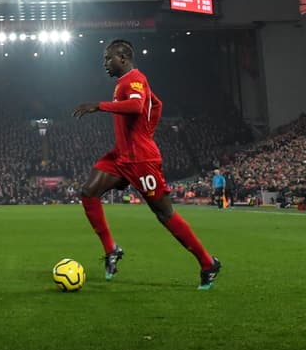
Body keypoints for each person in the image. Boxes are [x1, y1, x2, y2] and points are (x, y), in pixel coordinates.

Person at [73, 40, 221, 290]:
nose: (105, 63)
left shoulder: (134, 79)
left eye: (109, 58)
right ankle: (111, 249)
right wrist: (146, 131)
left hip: (141, 161)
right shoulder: (126, 82)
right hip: (121, 157)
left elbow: (136, 106)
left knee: (164, 214)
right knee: (88, 192)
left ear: (123, 58)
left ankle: (208, 263)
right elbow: (156, 104)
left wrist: (98, 106)